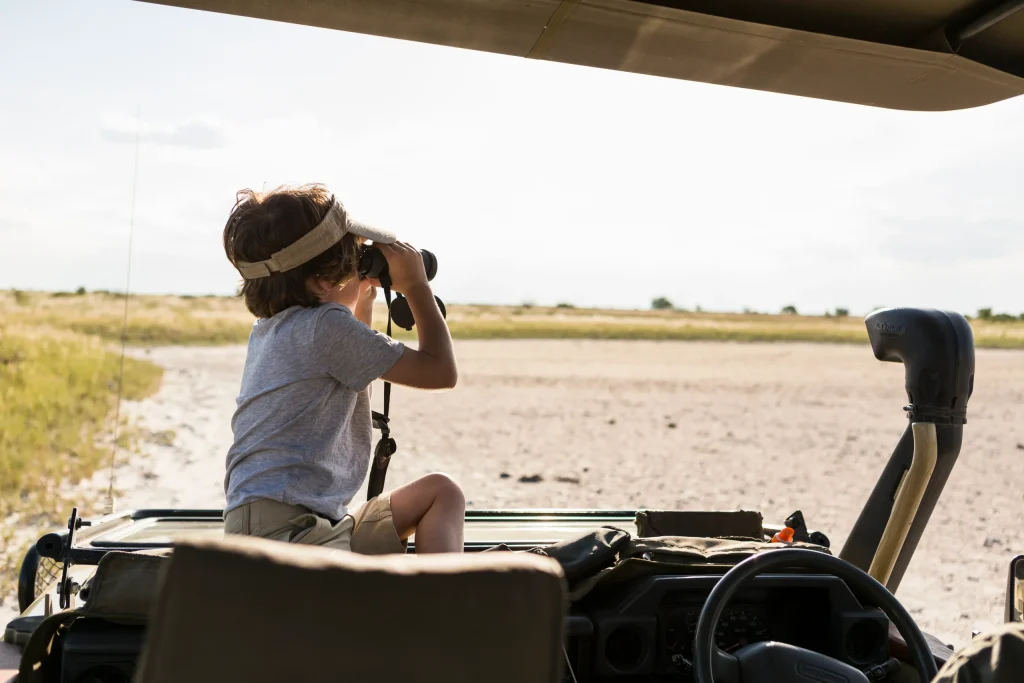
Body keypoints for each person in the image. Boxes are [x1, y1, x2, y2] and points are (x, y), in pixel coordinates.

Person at [220, 183, 464, 554]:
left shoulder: (275, 327)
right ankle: (442, 604)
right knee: (443, 494)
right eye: (352, 259)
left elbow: (353, 365)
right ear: (322, 280)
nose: (359, 267)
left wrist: (362, 296)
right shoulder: (324, 327)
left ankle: (437, 594)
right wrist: (415, 287)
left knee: (440, 491)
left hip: (283, 525)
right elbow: (440, 372)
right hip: (289, 536)